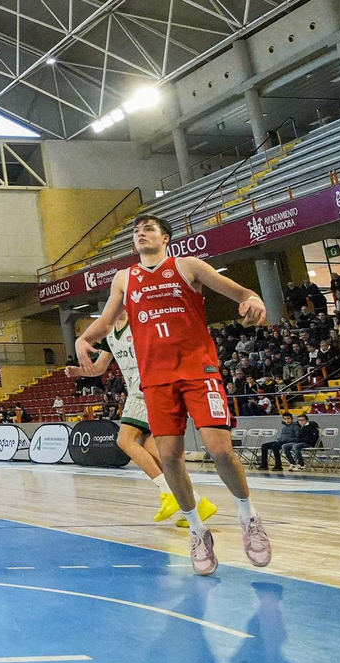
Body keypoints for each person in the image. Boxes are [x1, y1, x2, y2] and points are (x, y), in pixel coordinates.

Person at [75, 214, 272, 577]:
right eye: (136, 231)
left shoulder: (187, 266)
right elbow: (105, 323)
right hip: (156, 380)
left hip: (199, 372)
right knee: (170, 458)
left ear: (165, 238)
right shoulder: (125, 278)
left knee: (221, 451)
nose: (141, 234)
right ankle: (198, 531)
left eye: (148, 229)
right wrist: (82, 338)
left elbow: (240, 293)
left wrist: (253, 300)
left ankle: (249, 516)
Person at [64, 314, 214, 528]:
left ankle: (166, 492)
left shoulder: (139, 324)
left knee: (124, 441)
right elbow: (99, 368)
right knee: (153, 451)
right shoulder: (109, 335)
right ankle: (196, 502)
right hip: (136, 389)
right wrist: (79, 371)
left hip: (148, 386)